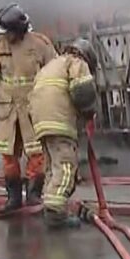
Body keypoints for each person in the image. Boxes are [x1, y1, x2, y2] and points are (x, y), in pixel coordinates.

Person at [0, 4, 58, 213]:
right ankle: (13, 198)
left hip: (33, 112)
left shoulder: (41, 45)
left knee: (37, 155)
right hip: (7, 113)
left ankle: (34, 195)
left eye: (9, 33)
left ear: (19, 30)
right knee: (8, 156)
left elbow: (56, 74)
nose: (6, 37)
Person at [28, 37, 100, 229]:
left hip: (40, 123)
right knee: (66, 166)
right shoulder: (77, 63)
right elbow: (83, 92)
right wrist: (89, 111)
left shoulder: (52, 65)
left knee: (53, 168)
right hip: (59, 122)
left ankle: (50, 204)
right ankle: (55, 213)